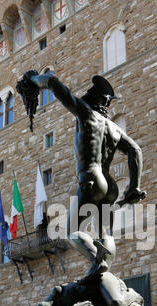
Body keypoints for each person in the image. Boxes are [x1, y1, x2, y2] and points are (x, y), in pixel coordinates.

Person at [17, 72, 146, 279]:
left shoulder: (86, 113)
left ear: (97, 99)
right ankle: (104, 271)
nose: (85, 94)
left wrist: (32, 81)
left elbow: (53, 83)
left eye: (89, 92)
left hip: (91, 179)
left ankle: (98, 261)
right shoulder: (114, 129)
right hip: (110, 186)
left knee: (71, 232)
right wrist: (134, 187)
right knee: (106, 234)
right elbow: (135, 151)